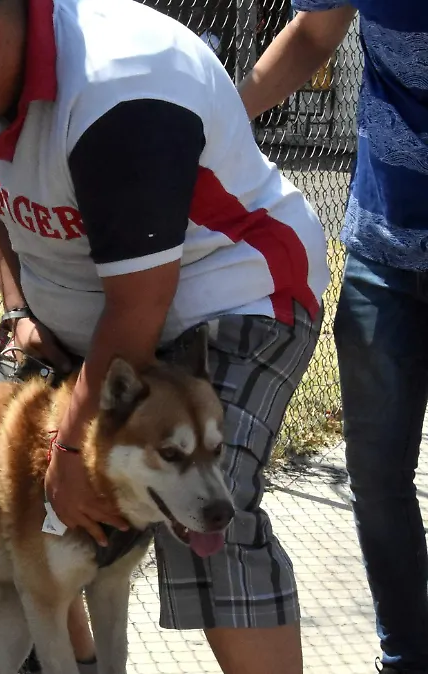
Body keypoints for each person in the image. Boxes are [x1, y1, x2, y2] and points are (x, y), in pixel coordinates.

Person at [0, 0, 331, 672]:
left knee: (205, 510)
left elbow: (140, 305)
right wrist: (19, 306)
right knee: (28, 497)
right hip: (91, 312)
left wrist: (76, 445)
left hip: (233, 288)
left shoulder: (119, 89)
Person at [239, 4, 428, 672]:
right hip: (384, 249)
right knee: (377, 478)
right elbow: (315, 33)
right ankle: (406, 659)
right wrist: (222, 112)